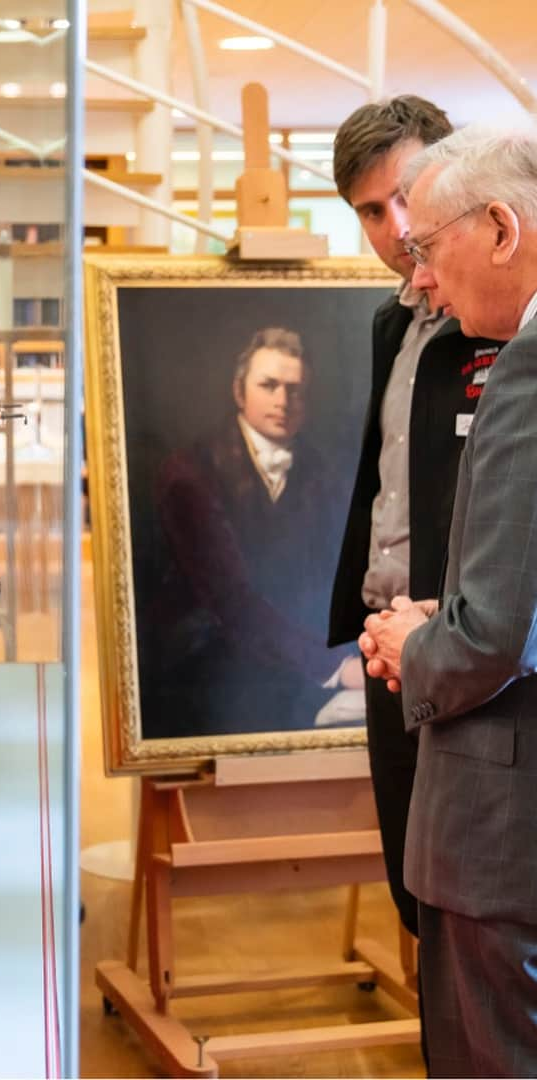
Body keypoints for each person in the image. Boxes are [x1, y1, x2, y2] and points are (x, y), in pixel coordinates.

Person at [360, 124, 537, 1076]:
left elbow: (495, 636)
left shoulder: (527, 375)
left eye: (427, 248)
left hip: (500, 831)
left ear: (501, 229)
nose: (419, 279)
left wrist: (412, 641)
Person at [327, 96, 503, 941]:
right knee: (412, 891)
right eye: (369, 210)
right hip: (387, 650)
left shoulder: (502, 327)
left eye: (406, 194)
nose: (396, 226)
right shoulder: (389, 321)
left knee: (472, 909)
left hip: (468, 650)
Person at [149, 327, 362, 738]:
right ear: (238, 391)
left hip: (304, 668)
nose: (283, 401)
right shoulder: (189, 474)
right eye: (269, 386)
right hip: (210, 671)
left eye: (296, 390)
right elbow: (230, 600)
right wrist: (334, 666)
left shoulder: (325, 472)